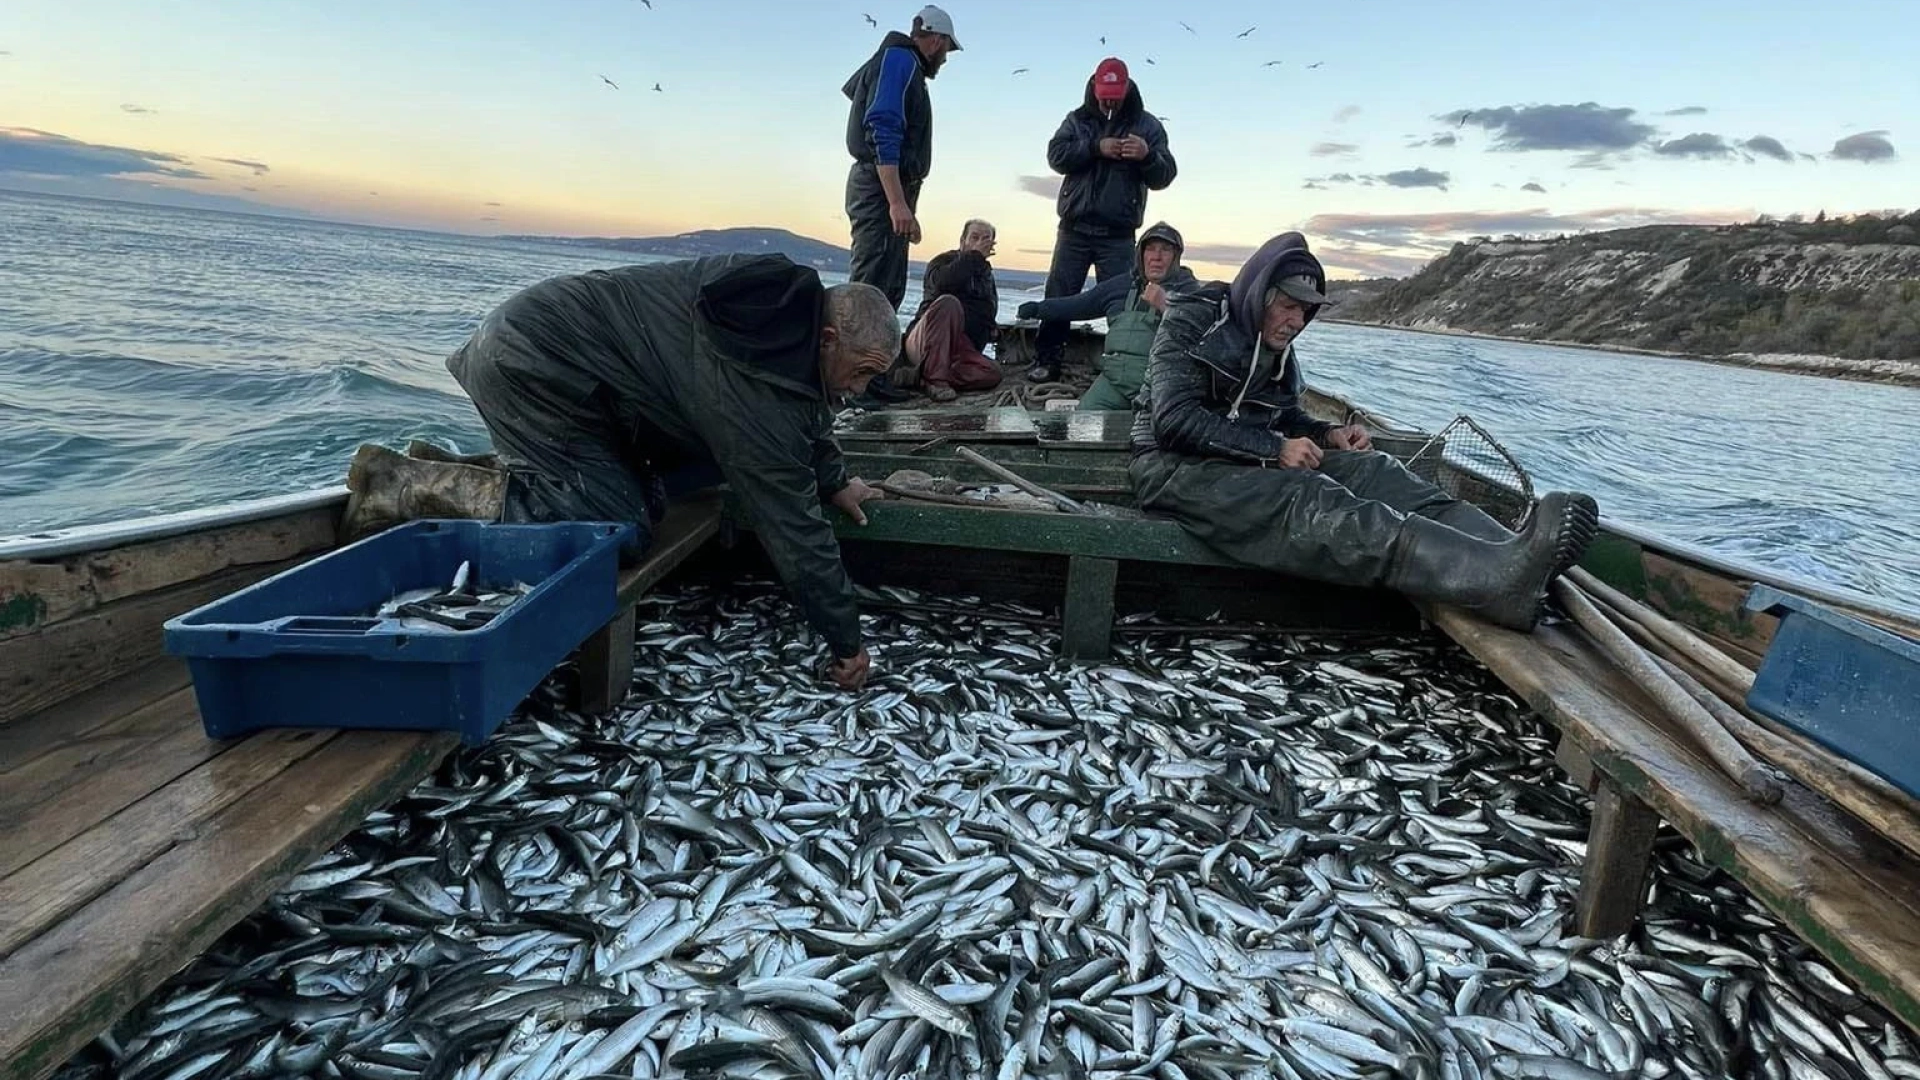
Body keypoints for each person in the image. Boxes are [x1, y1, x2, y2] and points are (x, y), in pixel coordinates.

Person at [342, 254, 899, 691]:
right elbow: (793, 525)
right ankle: (400, 484)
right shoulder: (748, 371)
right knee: (616, 531)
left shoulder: (782, 319)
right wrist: (846, 641)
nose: (860, 390)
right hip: (532, 363)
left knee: (659, 493)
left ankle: (466, 468)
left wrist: (836, 479)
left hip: (585, 381)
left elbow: (805, 407)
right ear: (828, 339)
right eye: (861, 372)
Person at [1128, 232, 1600, 633]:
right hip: (1171, 467)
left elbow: (1285, 416)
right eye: (1288, 306)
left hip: (1242, 459)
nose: (1296, 322)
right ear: (1259, 296)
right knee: (1308, 497)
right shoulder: (1194, 317)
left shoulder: (1277, 351)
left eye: (1304, 312)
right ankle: (1490, 582)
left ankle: (1508, 551)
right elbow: (1173, 421)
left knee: (1376, 472)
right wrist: (1275, 448)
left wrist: (1328, 432)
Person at [1030, 57, 1177, 383]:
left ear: (1126, 89)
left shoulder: (1148, 126)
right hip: (1074, 229)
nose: (1109, 100)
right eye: (1104, 93)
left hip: (1119, 235)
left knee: (1124, 302)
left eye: (1115, 94)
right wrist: (1094, 147)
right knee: (1059, 294)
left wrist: (1147, 156)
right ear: (1095, 87)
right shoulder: (1077, 120)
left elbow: (1166, 174)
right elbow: (1056, 155)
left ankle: (1124, 368)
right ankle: (1046, 359)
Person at [841, 5, 962, 312]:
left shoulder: (900, 64)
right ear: (936, 40)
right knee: (871, 287)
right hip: (879, 187)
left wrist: (904, 204)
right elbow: (883, 127)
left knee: (888, 286)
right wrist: (896, 202)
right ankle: (855, 357)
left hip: (889, 186)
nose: (945, 57)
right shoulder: (899, 60)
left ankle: (875, 357)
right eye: (947, 47)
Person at [1014, 221, 1195, 410]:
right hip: (1114, 381)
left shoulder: (1190, 291)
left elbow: (1200, 332)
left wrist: (1166, 307)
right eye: (1150, 249)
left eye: (1165, 250)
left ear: (1176, 257)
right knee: (1083, 422)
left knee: (1155, 435)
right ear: (1141, 254)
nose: (1156, 257)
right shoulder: (1121, 285)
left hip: (1161, 387)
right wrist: (1038, 309)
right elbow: (1077, 304)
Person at [899, 218, 1004, 401]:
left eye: (985, 239)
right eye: (975, 237)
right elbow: (942, 285)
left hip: (959, 349)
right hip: (925, 342)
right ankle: (935, 380)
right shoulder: (942, 261)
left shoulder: (986, 276)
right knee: (949, 303)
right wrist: (974, 257)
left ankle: (920, 377)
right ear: (963, 241)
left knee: (991, 373)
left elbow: (985, 314)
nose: (980, 243)